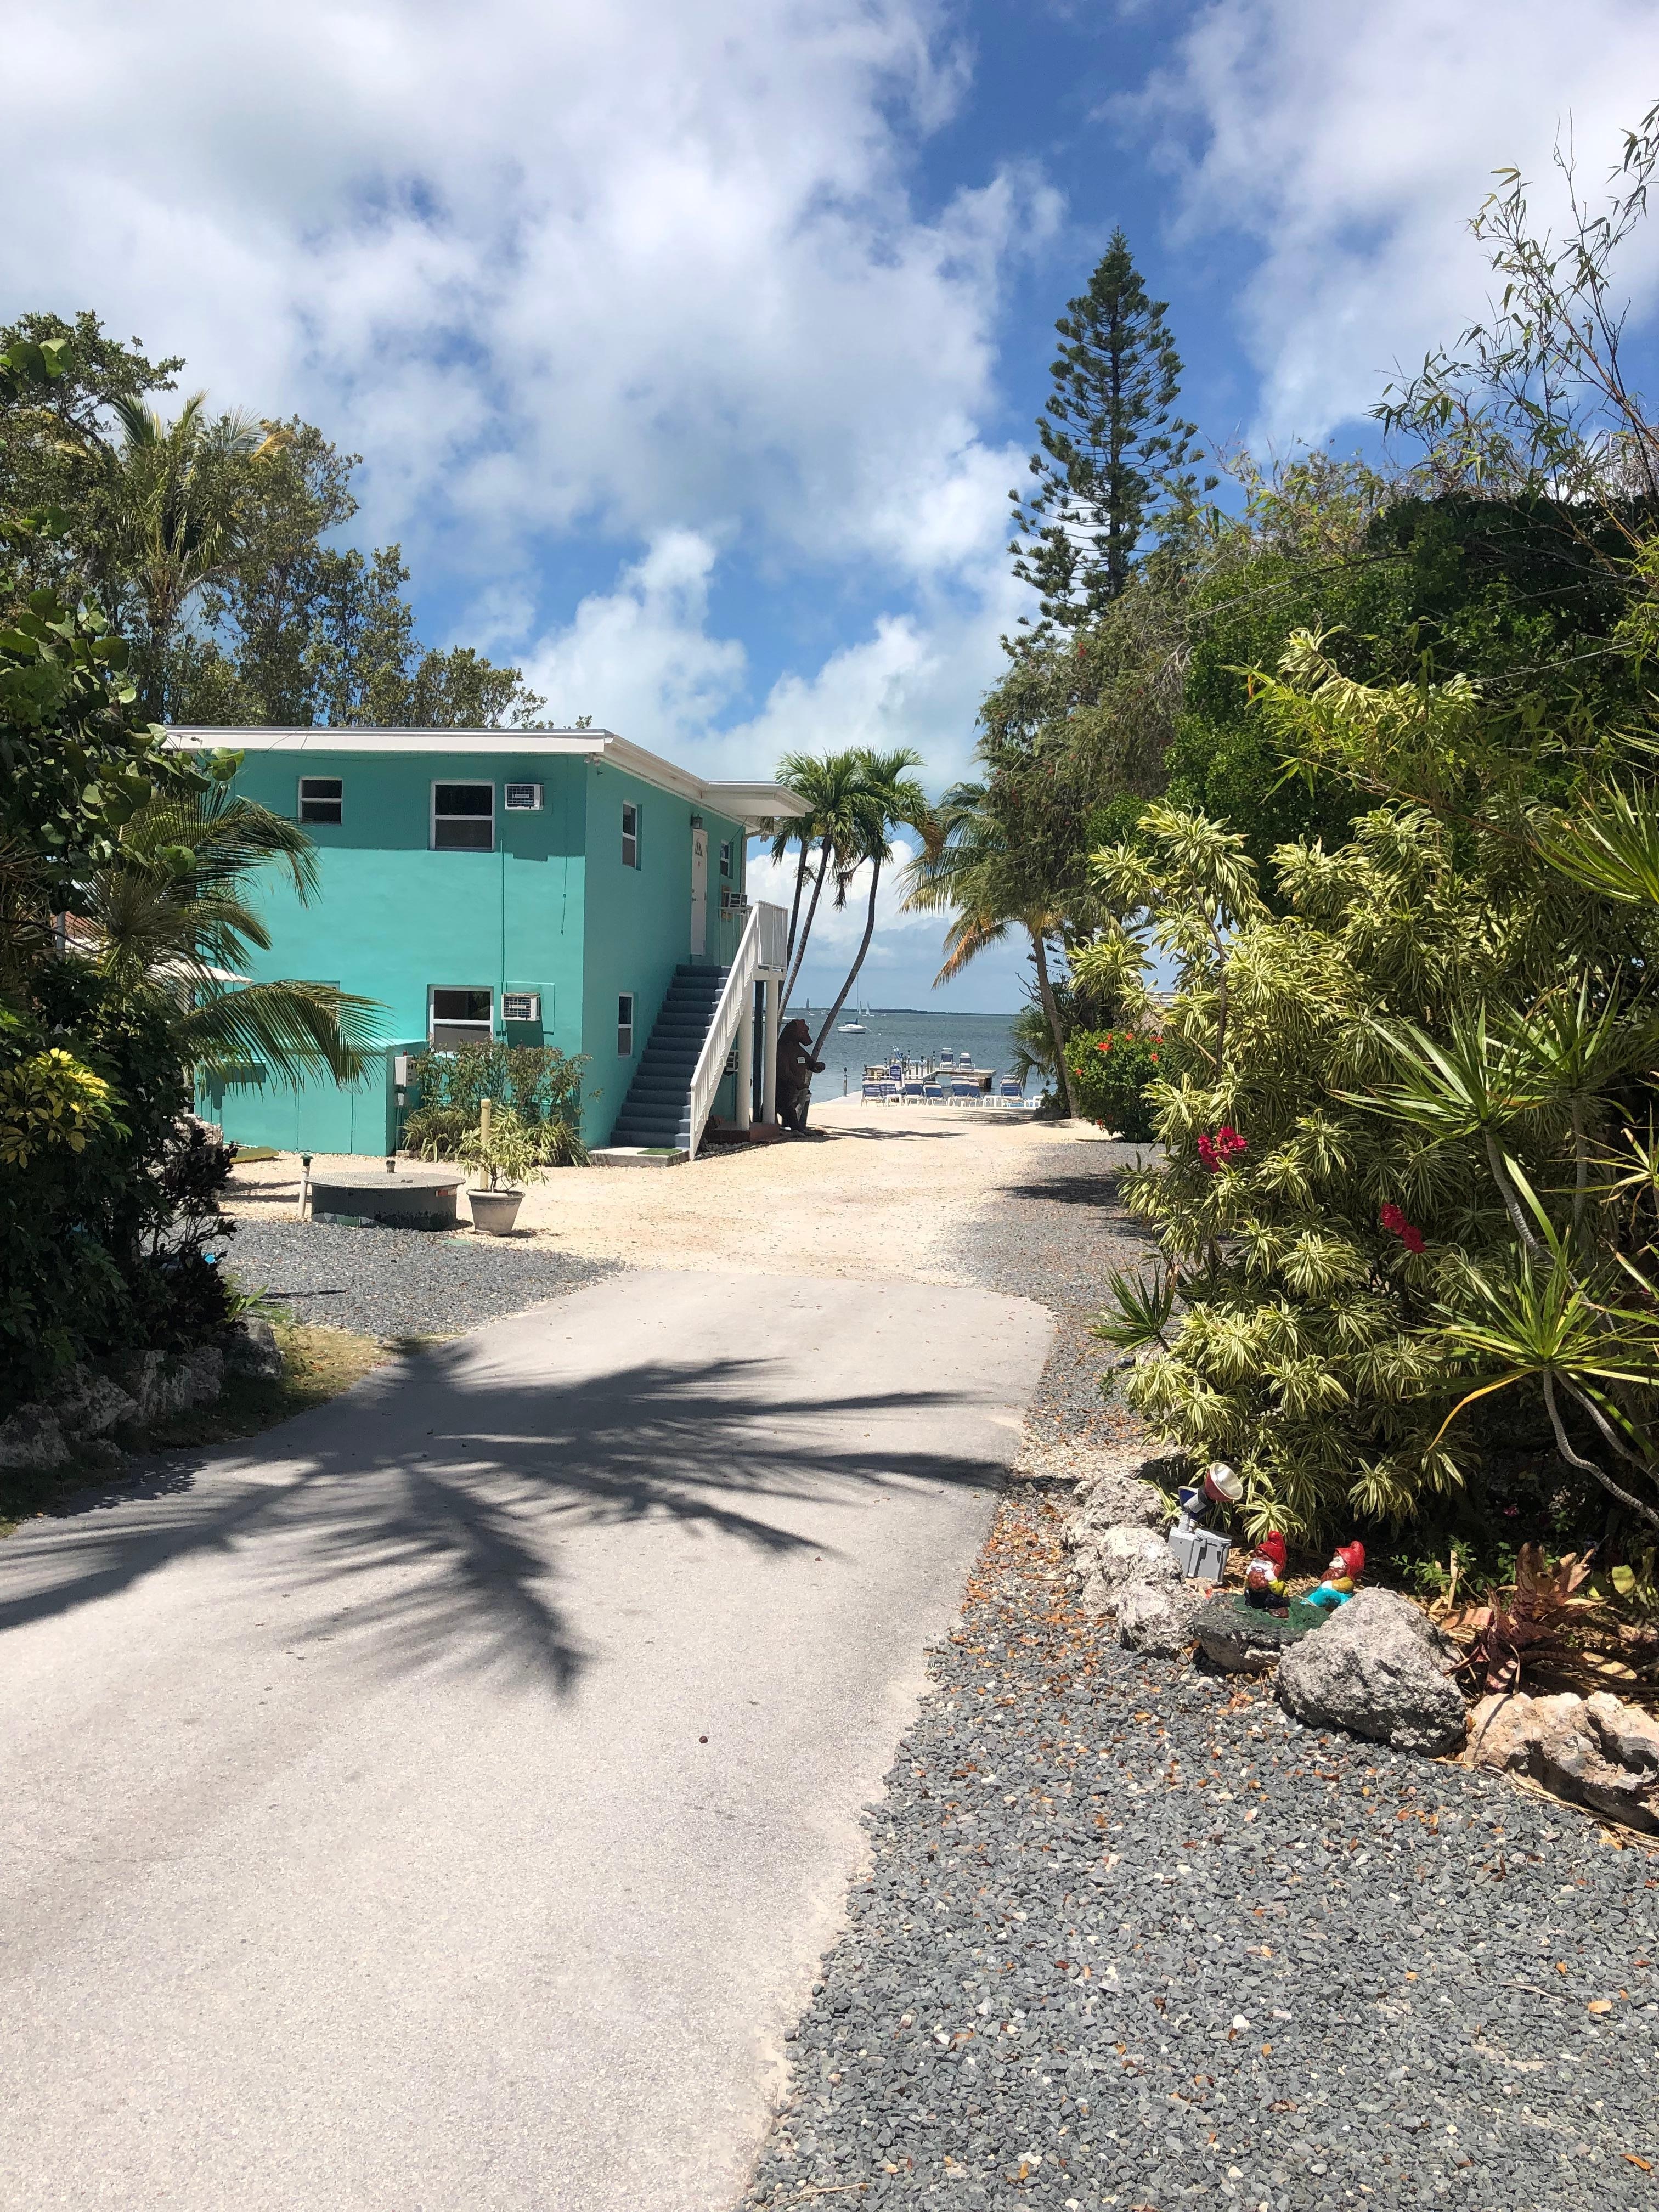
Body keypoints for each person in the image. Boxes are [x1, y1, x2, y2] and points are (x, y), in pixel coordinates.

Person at [776, 1018, 824, 1132]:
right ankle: (797, 1129)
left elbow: (809, 1062)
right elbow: (784, 1072)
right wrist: (797, 1082)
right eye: (803, 1032)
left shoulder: (797, 1049)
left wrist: (817, 1066)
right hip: (785, 1089)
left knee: (788, 1108)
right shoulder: (782, 1049)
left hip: (795, 1090)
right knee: (786, 1108)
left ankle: (796, 1128)